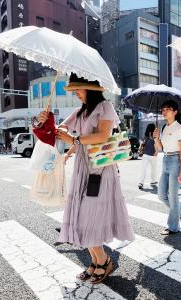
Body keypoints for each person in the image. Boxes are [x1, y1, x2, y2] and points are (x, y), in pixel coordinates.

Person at [36, 73, 134, 284]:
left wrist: (75, 139)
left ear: (90, 88)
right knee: (81, 216)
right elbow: (60, 129)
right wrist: (46, 120)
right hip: (83, 168)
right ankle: (96, 261)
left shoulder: (105, 107)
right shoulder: (80, 111)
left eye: (79, 89)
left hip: (99, 169)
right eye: (75, 90)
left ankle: (104, 261)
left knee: (89, 217)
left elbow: (103, 135)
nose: (77, 94)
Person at [153, 100, 181, 235]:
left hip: (175, 161)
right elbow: (161, 148)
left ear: (175, 112)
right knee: (161, 195)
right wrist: (156, 139)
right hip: (165, 160)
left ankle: (173, 227)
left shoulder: (180, 128)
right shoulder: (164, 127)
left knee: (173, 197)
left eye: (167, 109)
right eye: (162, 109)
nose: (164, 111)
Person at [138, 123, 158, 189]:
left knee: (143, 169)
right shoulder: (154, 135)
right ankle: (153, 181)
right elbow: (156, 144)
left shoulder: (146, 135)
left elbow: (143, 142)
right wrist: (157, 151)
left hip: (145, 154)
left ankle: (141, 182)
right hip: (153, 154)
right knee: (153, 169)